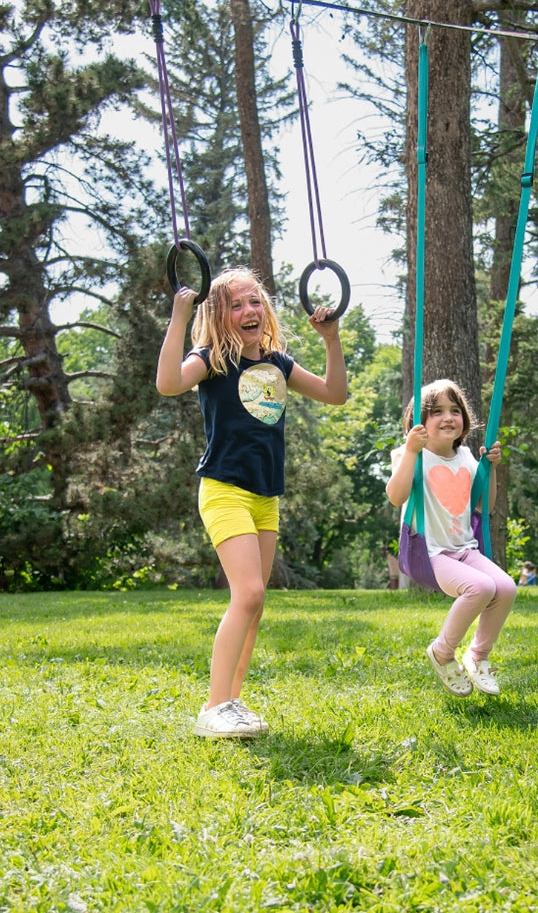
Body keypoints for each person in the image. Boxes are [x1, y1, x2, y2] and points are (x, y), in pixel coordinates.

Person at [156, 268, 347, 738]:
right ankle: (214, 706)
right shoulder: (212, 360)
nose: (249, 312)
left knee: (254, 606)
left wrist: (331, 338)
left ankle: (231, 703)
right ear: (219, 316)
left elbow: (335, 394)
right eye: (237, 305)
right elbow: (167, 383)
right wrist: (180, 317)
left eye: (255, 302)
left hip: (266, 497)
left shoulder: (278, 363)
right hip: (224, 489)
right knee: (250, 594)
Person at [386, 379, 517, 697]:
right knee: (481, 587)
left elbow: (484, 505)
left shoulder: (468, 457)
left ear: (464, 420)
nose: (448, 417)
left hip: (463, 548)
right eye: (437, 411)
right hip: (428, 553)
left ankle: (478, 655)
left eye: (455, 410)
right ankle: (443, 652)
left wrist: (491, 469)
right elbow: (395, 496)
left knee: (506, 588)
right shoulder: (409, 454)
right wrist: (412, 453)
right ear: (418, 422)